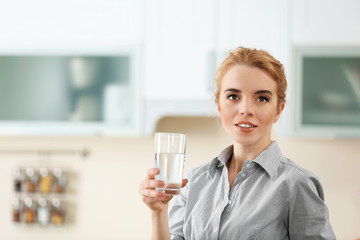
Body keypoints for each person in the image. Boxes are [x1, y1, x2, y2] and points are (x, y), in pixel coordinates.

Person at [139, 46, 336, 239]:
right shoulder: (195, 181)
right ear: (219, 106)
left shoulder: (296, 184)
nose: (245, 109)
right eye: (233, 96)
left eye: (262, 98)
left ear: (278, 110)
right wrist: (159, 212)